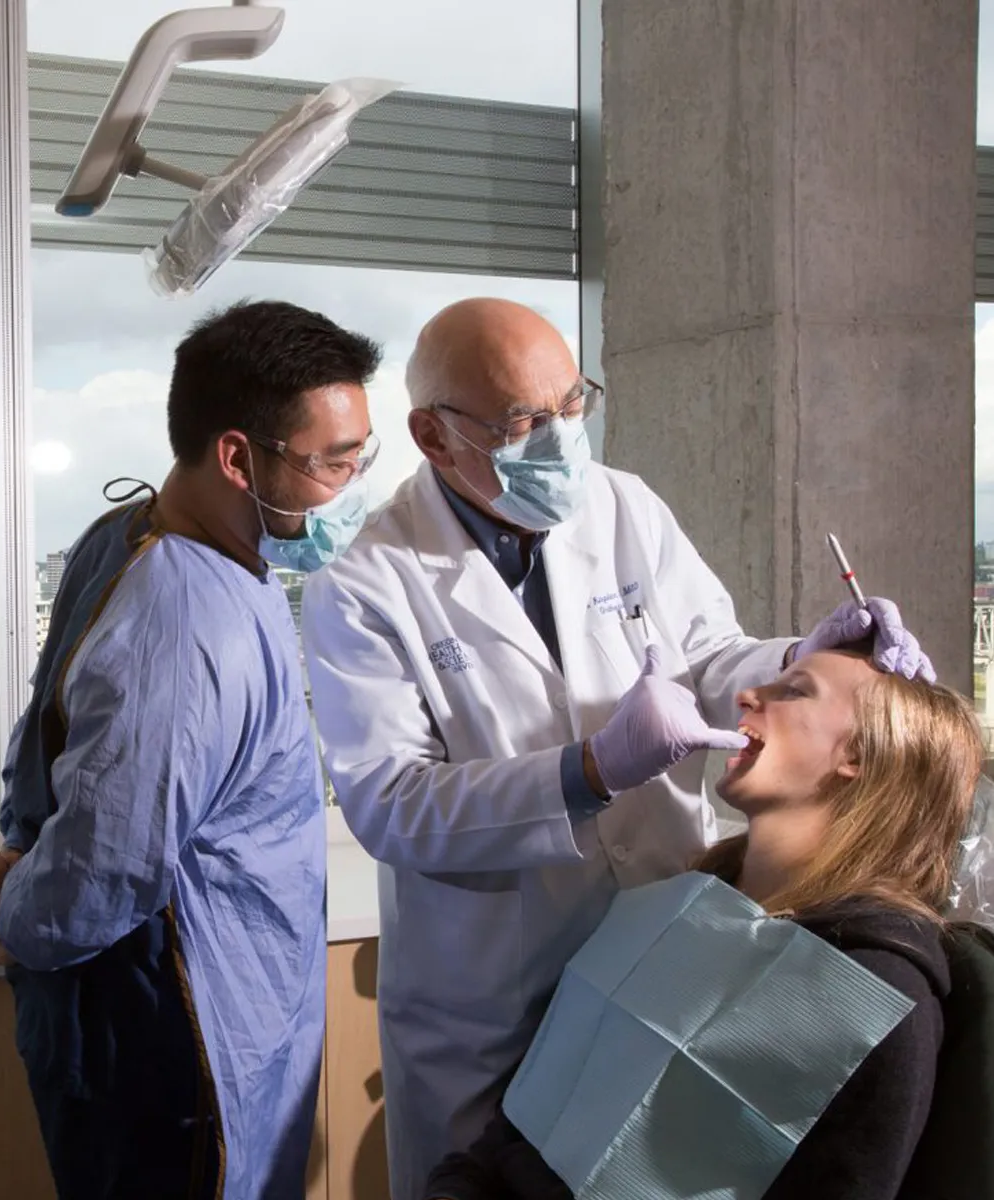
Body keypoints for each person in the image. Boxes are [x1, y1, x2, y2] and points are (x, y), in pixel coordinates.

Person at [299, 297, 934, 1199]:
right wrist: (588, 771)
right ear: (434, 439)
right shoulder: (365, 582)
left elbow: (713, 658)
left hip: (661, 956)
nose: (560, 439)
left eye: (572, 404)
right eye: (524, 421)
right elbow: (392, 806)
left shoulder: (621, 505)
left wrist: (802, 655)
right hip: (493, 999)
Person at [0, 299, 382, 1199]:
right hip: (180, 1031)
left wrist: (27, 858)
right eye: (330, 463)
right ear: (236, 456)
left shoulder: (136, 538)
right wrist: (25, 906)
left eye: (356, 457)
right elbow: (107, 866)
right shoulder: (188, 625)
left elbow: (56, 752)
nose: (349, 486)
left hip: (213, 1002)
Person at [423, 647, 980, 1200]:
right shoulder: (673, 911)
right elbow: (512, 1128)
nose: (746, 695)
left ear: (858, 753)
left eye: (794, 690)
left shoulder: (877, 993)